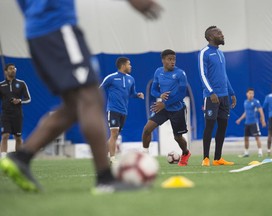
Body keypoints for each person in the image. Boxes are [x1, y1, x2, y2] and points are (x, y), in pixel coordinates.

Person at [0, 0, 162, 193]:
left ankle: (21, 158)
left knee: (73, 107)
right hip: (56, 25)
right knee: (91, 98)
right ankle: (105, 179)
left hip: (36, 31)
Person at [142, 49, 191, 166]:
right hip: (164, 108)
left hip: (177, 109)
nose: (172, 62)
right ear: (163, 60)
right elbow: (153, 90)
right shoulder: (158, 72)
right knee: (147, 129)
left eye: (174, 59)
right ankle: (145, 156)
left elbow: (182, 94)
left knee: (177, 137)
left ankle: (185, 153)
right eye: (169, 59)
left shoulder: (180, 73)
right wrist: (160, 95)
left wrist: (164, 103)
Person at [198, 26, 237, 167]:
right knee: (209, 125)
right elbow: (203, 75)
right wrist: (211, 93)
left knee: (223, 126)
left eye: (221, 31)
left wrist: (231, 93)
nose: (222, 34)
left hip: (224, 96)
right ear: (210, 36)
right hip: (211, 97)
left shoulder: (221, 53)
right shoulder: (204, 53)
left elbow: (224, 75)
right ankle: (206, 158)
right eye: (218, 32)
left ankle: (218, 158)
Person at [100, 57, 144, 164]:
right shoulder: (111, 78)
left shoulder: (131, 79)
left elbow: (132, 93)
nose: (130, 66)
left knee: (114, 136)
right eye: (129, 64)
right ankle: (112, 159)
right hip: (113, 109)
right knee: (114, 134)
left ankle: (100, 155)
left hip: (124, 111)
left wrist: (137, 95)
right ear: (123, 65)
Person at [0, 63, 31, 158]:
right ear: (5, 71)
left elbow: (28, 99)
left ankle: (19, 160)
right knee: (5, 136)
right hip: (5, 115)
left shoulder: (21, 83)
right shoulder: (1, 85)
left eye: (14, 68)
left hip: (17, 115)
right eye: (10, 68)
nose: (13, 70)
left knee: (18, 138)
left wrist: (20, 101)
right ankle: (3, 160)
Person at [236, 88, 266, 157]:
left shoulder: (256, 102)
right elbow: (246, 112)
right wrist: (240, 119)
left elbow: (261, 111)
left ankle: (260, 152)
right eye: (250, 93)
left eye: (252, 93)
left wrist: (263, 120)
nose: (251, 95)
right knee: (246, 138)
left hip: (254, 123)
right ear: (247, 94)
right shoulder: (245, 102)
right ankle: (246, 152)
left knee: (257, 137)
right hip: (247, 123)